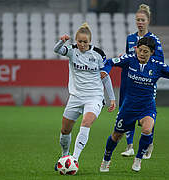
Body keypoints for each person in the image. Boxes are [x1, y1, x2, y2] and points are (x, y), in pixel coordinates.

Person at [99, 37, 169, 172]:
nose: (142, 54)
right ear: (136, 49)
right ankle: (106, 159)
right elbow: (109, 62)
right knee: (116, 135)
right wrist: (105, 71)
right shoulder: (129, 59)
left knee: (147, 129)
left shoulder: (157, 66)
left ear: (152, 52)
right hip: (129, 106)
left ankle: (138, 160)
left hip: (147, 106)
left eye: (146, 52)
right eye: (140, 50)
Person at [53, 22, 116, 171]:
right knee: (65, 131)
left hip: (94, 97)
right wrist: (62, 41)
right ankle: (65, 156)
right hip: (75, 96)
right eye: (79, 41)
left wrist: (112, 98)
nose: (82, 44)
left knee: (86, 122)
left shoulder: (98, 54)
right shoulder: (71, 50)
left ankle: (74, 159)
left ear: (90, 42)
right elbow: (56, 50)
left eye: (85, 42)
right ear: (76, 40)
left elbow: (105, 77)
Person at [120, 4, 164, 159]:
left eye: (142, 20)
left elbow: (160, 62)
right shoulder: (130, 39)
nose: (140, 22)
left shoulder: (155, 40)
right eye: (137, 20)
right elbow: (128, 58)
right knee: (126, 111)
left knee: (146, 115)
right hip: (129, 80)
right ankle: (130, 146)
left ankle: (148, 144)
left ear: (148, 21)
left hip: (146, 82)